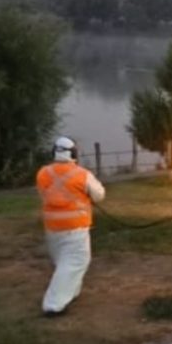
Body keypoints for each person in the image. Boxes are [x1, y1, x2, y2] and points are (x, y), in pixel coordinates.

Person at [37, 136, 106, 317]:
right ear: (74, 153)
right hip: (74, 228)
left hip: (52, 228)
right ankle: (54, 304)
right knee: (75, 263)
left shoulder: (43, 173)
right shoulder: (82, 174)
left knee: (63, 262)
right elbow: (99, 194)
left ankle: (71, 293)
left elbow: (46, 193)